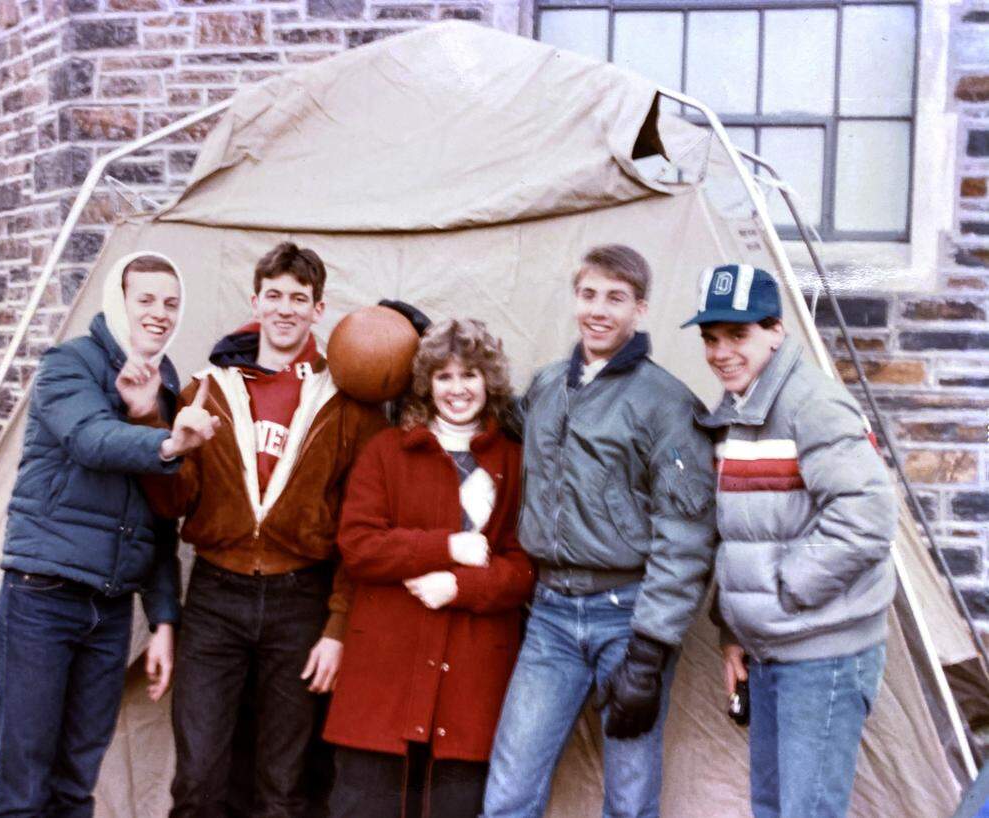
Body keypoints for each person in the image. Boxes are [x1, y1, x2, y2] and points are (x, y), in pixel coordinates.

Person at [136, 241, 386, 818]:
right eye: (274, 295)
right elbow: (171, 504)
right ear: (255, 302)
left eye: (299, 298)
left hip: (300, 598)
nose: (284, 309)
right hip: (216, 596)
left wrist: (338, 625)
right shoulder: (208, 388)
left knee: (283, 784)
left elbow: (361, 528)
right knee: (198, 780)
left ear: (318, 310)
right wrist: (163, 434)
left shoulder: (346, 402)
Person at [482, 245, 716, 818]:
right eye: (589, 295)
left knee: (630, 799)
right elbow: (497, 415)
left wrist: (650, 648)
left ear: (640, 309)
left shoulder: (667, 403)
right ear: (575, 300)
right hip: (550, 615)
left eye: (616, 298)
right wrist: (430, 346)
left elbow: (686, 534)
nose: (599, 310)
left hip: (628, 616)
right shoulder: (547, 387)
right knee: (509, 792)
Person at [0, 253, 218, 818]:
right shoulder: (68, 364)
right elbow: (90, 440)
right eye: (146, 299)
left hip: (109, 610)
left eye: (171, 303)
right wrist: (167, 442)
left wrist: (164, 621)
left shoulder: (166, 392)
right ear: (118, 301)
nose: (159, 313)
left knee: (75, 783)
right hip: (43, 596)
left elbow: (160, 520)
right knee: (22, 784)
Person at [683, 264, 896, 818]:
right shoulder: (739, 409)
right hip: (770, 649)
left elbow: (867, 518)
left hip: (822, 653)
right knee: (773, 808)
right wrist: (735, 630)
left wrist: (785, 591)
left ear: (776, 330)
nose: (721, 352)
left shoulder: (813, 405)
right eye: (711, 338)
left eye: (738, 334)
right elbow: (746, 534)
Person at [324, 318, 535, 818]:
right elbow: (358, 545)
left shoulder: (514, 461)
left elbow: (525, 568)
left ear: (489, 381)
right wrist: (447, 547)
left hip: (471, 676)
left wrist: (461, 587)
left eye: (469, 375)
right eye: (444, 376)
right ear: (426, 384)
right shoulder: (386, 451)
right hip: (385, 668)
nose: (457, 389)